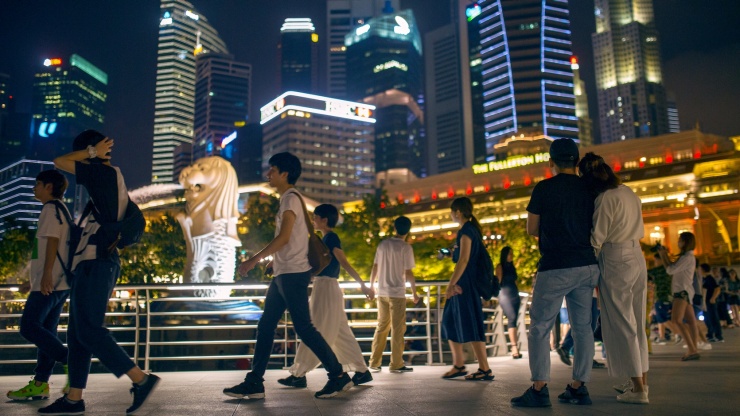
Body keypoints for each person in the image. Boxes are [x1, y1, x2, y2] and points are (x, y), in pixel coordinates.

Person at [40, 131, 160, 415]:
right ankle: (74, 398)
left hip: (98, 263)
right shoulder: (102, 188)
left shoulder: (104, 175)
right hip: (90, 264)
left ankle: (140, 379)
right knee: (78, 334)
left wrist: (91, 152)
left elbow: (59, 161)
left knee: (90, 330)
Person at [224, 152, 354, 400]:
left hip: (294, 274)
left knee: (303, 328)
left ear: (284, 173)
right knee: (266, 325)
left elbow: (283, 237)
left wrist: (254, 260)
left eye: (272, 170)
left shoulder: (290, 199)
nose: (268, 174)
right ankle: (254, 381)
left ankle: (338, 375)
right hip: (284, 272)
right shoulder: (289, 199)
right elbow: (291, 240)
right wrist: (275, 260)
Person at [511, 138, 599, 408]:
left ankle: (539, 388)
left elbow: (531, 228)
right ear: (576, 160)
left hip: (555, 266)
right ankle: (578, 386)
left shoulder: (544, 188)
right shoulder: (589, 187)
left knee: (539, 327)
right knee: (583, 327)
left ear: (551, 162)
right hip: (586, 264)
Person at [277, 203, 374, 388]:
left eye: (316, 217)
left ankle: (299, 374)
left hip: (326, 288)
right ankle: (362, 371)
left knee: (314, 329)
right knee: (340, 333)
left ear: (324, 220)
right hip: (326, 287)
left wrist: (363, 286)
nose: (313, 220)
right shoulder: (325, 239)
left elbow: (343, 262)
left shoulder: (331, 238)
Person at [579, 152, 649, 404]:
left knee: (622, 323)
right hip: (637, 255)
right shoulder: (629, 192)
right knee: (637, 322)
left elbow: (597, 238)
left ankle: (638, 390)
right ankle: (641, 383)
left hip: (615, 257)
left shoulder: (605, 199)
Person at [7, 170, 71, 402]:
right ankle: (40, 384)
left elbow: (53, 241)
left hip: (50, 282)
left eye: (38, 184)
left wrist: (45, 277)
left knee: (29, 327)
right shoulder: (62, 209)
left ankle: (70, 360)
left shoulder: (50, 209)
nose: (35, 188)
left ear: (48, 187)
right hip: (58, 282)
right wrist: (34, 279)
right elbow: (47, 249)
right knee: (47, 332)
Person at [440, 197, 493, 381]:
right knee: (450, 321)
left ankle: (483, 368)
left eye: (452, 211)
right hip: (465, 283)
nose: (451, 215)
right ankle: (460, 364)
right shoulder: (470, 230)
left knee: (470, 322)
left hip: (464, 284)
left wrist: (451, 285)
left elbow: (464, 260)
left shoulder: (466, 232)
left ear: (458, 212)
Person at [368, 216, 419, 373]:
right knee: (398, 330)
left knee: (381, 327)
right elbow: (409, 273)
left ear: (394, 228)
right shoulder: (405, 248)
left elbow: (375, 266)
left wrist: (371, 286)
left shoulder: (383, 244)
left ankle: (374, 362)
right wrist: (415, 293)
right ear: (408, 230)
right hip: (397, 293)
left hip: (382, 292)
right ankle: (396, 363)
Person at [657, 232, 700, 361]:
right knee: (691, 322)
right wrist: (664, 255)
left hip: (681, 292)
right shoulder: (687, 257)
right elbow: (673, 267)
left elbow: (670, 270)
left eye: (680, 240)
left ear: (685, 242)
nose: (678, 242)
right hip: (685, 292)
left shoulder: (687, 257)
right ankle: (694, 348)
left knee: (676, 320)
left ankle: (692, 350)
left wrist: (663, 256)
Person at [496, 246, 522, 359]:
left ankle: (515, 347)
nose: (511, 256)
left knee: (514, 319)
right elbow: (498, 282)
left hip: (514, 295)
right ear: (504, 255)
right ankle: (514, 347)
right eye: (509, 254)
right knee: (511, 318)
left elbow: (515, 282)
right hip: (504, 295)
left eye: (512, 253)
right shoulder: (500, 266)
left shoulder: (512, 267)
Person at [648, 254, 678, 345]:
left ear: (660, 260)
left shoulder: (660, 270)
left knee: (661, 318)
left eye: (656, 260)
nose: (655, 263)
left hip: (662, 296)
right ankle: (662, 336)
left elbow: (645, 272)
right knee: (660, 316)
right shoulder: (668, 269)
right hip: (666, 296)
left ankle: (679, 333)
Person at [701, 264, 724, 342]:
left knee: (713, 318)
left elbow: (717, 288)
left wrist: (713, 298)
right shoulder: (704, 279)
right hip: (706, 301)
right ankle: (710, 335)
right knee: (708, 318)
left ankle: (718, 336)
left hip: (709, 301)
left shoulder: (709, 278)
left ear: (703, 270)